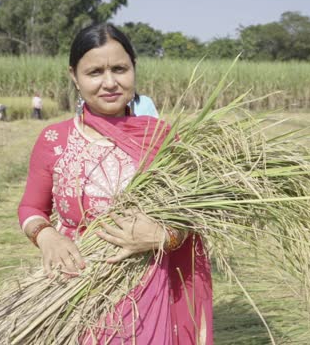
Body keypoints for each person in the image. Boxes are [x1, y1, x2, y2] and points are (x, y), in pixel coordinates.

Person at [18, 23, 212, 344]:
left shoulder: (162, 139)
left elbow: (195, 214)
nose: (109, 83)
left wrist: (166, 235)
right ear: (74, 77)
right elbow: (30, 207)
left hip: (152, 286)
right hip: (76, 290)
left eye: (120, 69)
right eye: (94, 72)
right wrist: (46, 236)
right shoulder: (54, 140)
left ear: (134, 69)